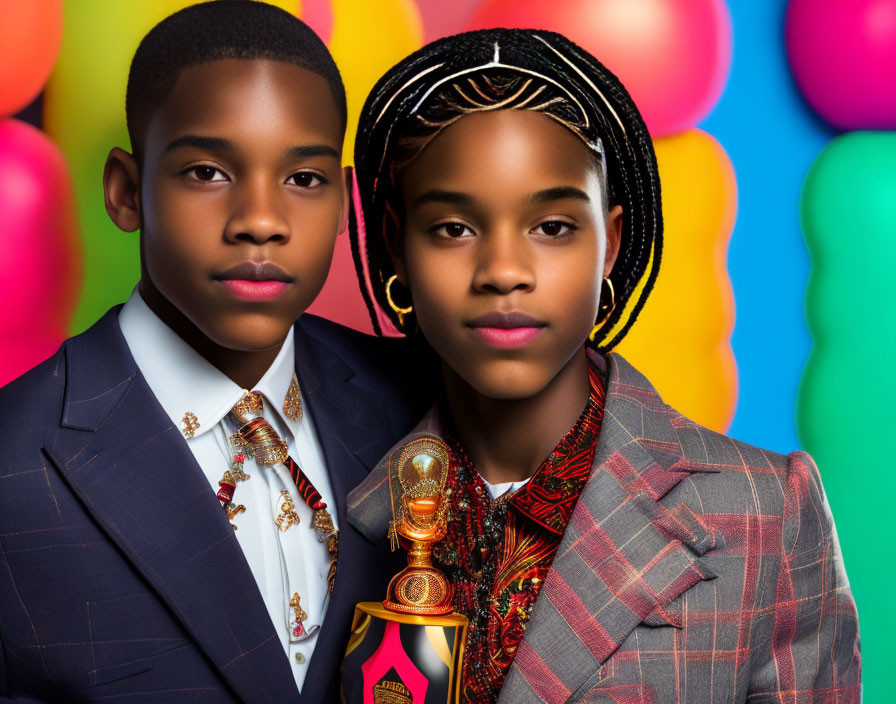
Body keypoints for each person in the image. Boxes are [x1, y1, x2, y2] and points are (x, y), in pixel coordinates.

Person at [347, 29, 861, 703]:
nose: (504, 271)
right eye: (454, 228)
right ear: (396, 246)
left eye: (553, 226)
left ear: (611, 242)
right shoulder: (331, 486)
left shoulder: (763, 517)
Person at [0, 3, 433, 702]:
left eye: (304, 179)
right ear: (126, 191)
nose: (261, 220)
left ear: (345, 202)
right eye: (206, 172)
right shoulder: (13, 466)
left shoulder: (416, 405)